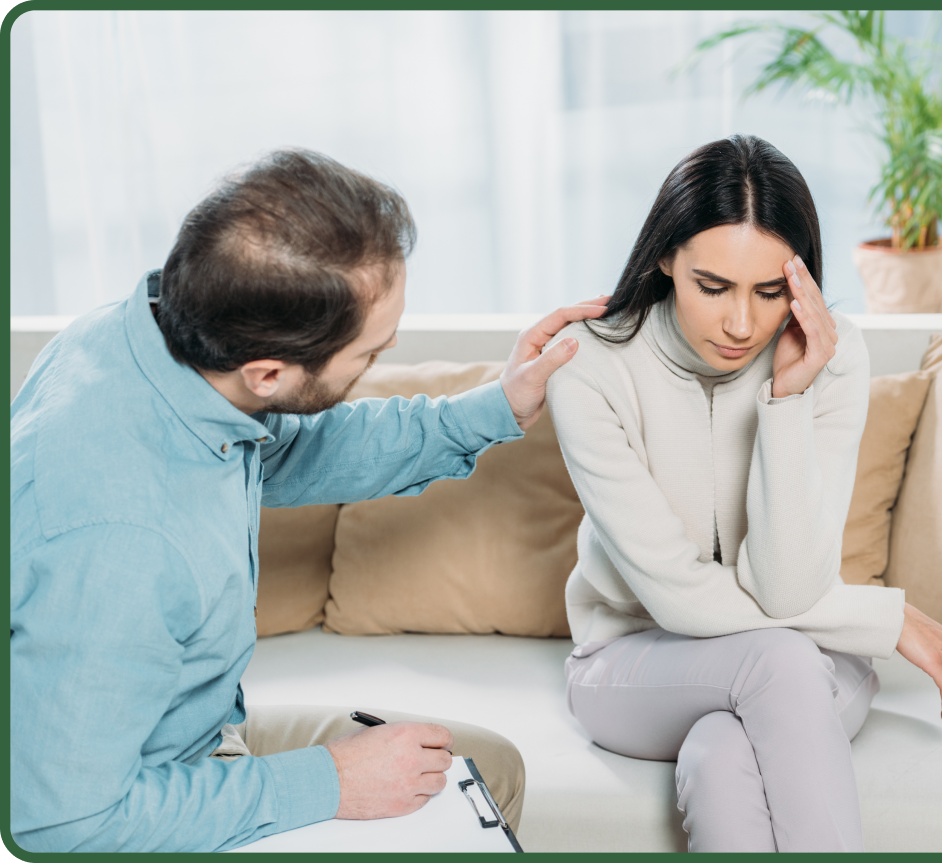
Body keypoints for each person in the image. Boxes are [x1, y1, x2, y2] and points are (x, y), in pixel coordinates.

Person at [9, 149, 608, 852]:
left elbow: (291, 449)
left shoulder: (136, 333)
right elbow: (62, 821)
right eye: (371, 355)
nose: (379, 361)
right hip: (129, 797)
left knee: (483, 769)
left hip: (185, 731)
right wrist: (331, 782)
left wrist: (495, 407)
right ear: (267, 372)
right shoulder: (120, 544)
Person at [543, 135, 942, 852]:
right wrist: (884, 619)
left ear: (800, 282)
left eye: (769, 290)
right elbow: (679, 599)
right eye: (712, 286)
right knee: (776, 661)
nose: (742, 325)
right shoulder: (589, 366)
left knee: (721, 752)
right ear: (664, 258)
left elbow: (787, 587)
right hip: (632, 661)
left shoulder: (828, 356)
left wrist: (786, 398)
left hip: (806, 655)